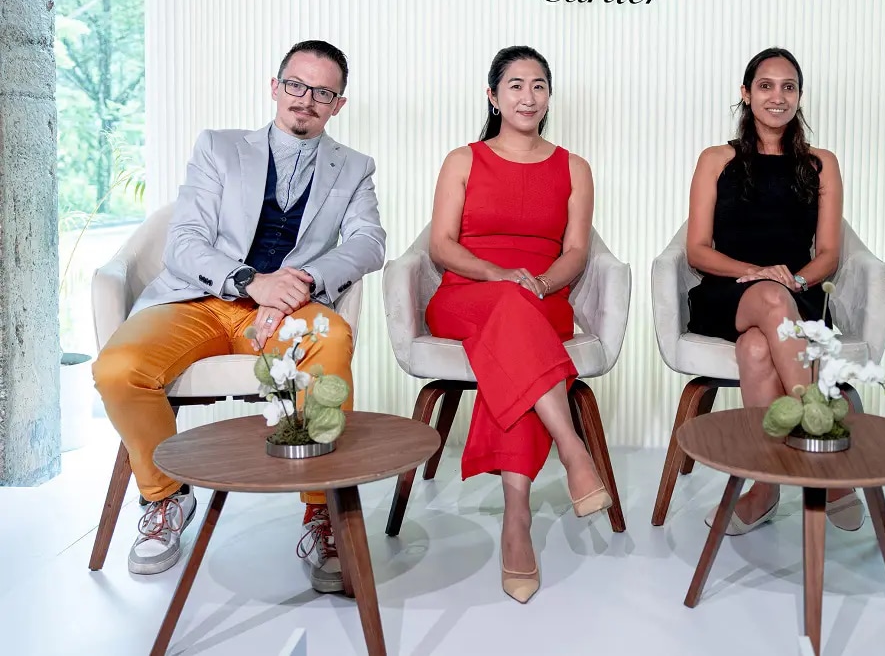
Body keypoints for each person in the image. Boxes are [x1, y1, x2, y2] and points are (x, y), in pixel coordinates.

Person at [92, 40, 386, 594]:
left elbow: (370, 243)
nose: (306, 100)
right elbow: (184, 243)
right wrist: (253, 282)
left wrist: (301, 282)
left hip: (291, 311)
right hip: (197, 302)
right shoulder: (219, 149)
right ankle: (165, 497)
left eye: (322, 92)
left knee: (333, 340)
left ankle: (320, 515)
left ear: (338, 105)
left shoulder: (355, 168)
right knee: (117, 369)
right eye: (296, 86)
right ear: (274, 87)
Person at [424, 45, 611, 604]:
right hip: (466, 294)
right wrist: (498, 273)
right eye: (515, 85)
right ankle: (573, 452)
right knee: (512, 318)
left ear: (549, 96)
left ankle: (516, 518)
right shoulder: (465, 159)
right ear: (493, 95)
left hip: (540, 296)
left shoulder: (574, 167)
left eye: (538, 86)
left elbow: (576, 250)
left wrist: (542, 284)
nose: (528, 97)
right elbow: (441, 245)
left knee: (516, 339)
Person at [685, 47, 862, 533]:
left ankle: (763, 488)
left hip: (798, 293)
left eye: (788, 87)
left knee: (759, 349)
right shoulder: (717, 159)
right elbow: (697, 249)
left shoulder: (821, 163)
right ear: (746, 94)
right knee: (766, 299)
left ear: (800, 97)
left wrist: (795, 279)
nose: (777, 96)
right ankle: (823, 440)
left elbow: (828, 253)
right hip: (728, 292)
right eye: (766, 86)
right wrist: (760, 273)